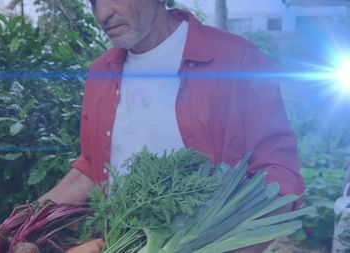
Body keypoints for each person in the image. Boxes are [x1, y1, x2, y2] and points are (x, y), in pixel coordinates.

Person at [38, 0, 305, 252]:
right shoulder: (101, 71)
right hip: (117, 243)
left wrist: (228, 243)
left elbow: (279, 174)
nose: (101, 13)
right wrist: (19, 227)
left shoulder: (237, 60)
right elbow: (91, 167)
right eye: (93, 0)